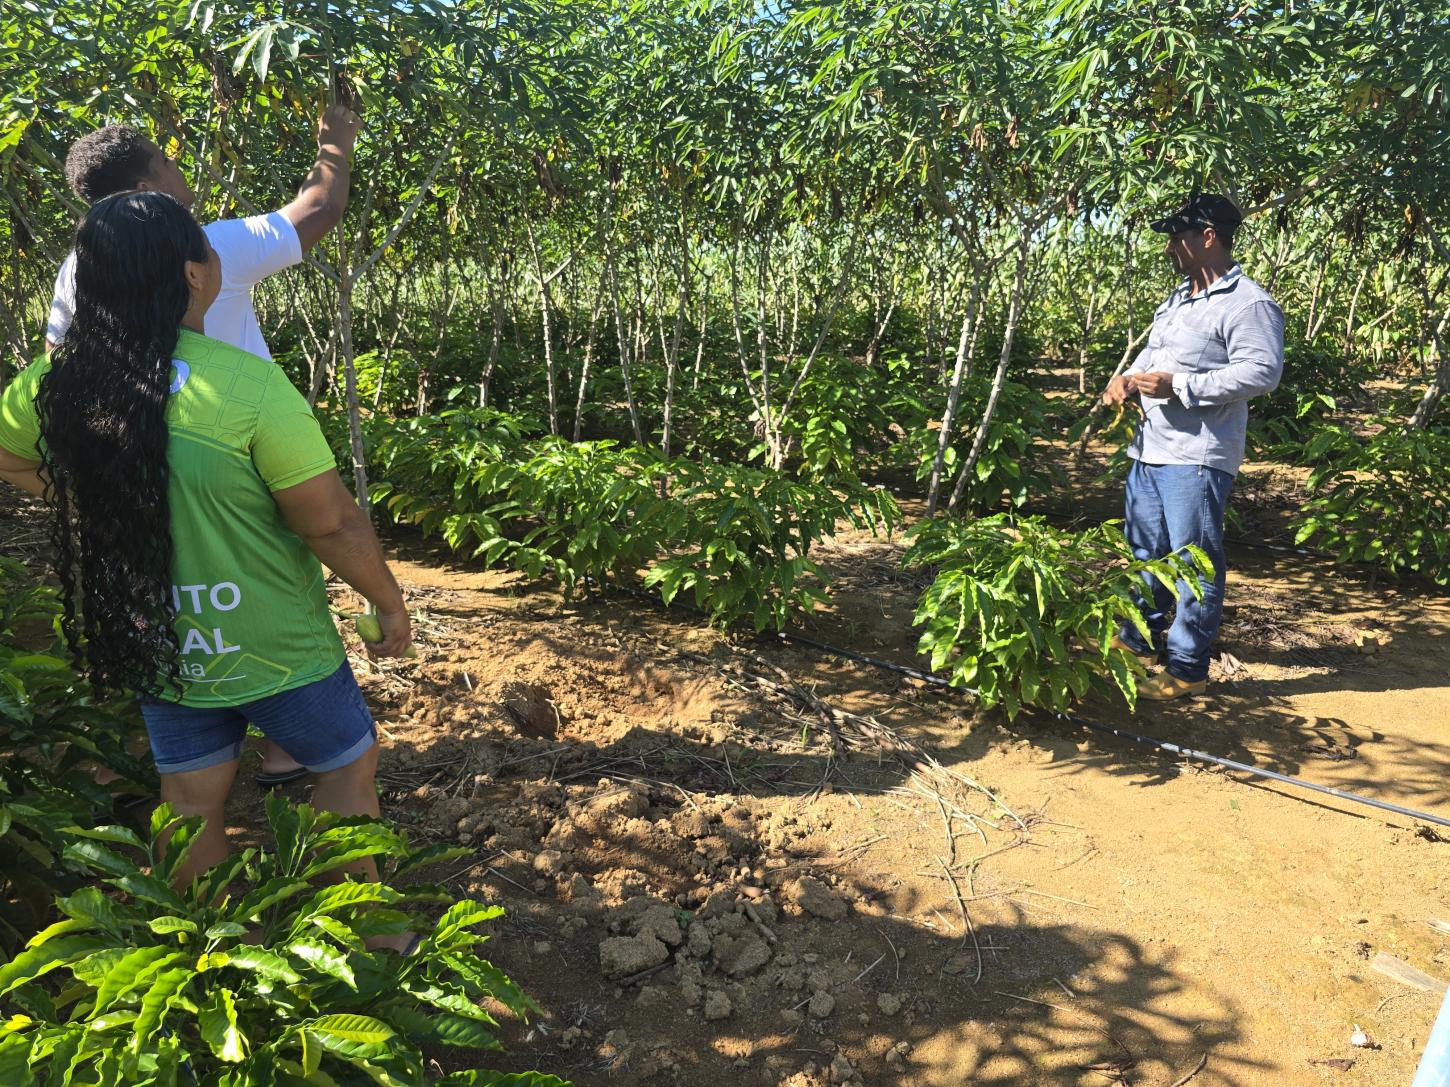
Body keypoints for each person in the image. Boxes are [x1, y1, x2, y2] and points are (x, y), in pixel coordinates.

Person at [0, 192, 412, 925]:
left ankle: (208, 944)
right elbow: (330, 523)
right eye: (211, 252)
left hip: (160, 637)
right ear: (195, 276)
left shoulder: (55, 387)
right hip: (276, 644)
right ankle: (365, 935)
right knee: (345, 763)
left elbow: (10, 454)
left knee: (191, 796)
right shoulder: (246, 389)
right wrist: (386, 600)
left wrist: (86, 494)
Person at [44, 103, 360, 785]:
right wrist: (336, 140)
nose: (180, 164)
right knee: (274, 592)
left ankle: (179, 753)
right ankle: (287, 740)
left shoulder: (77, 272)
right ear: (151, 180)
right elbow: (317, 210)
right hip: (241, 461)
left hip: (136, 478)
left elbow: (55, 374)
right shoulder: (208, 244)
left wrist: (93, 476)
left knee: (177, 608)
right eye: (169, 156)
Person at [1101, 192, 1284, 701]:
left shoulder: (1248, 303)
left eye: (1176, 238)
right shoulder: (1179, 297)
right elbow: (1154, 354)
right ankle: (1135, 641)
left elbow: (1262, 371)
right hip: (1150, 448)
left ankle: (1186, 668)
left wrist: (1181, 386)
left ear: (1208, 237)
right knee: (1145, 553)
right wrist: (1127, 378)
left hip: (1197, 456)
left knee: (1192, 562)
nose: (1168, 249)